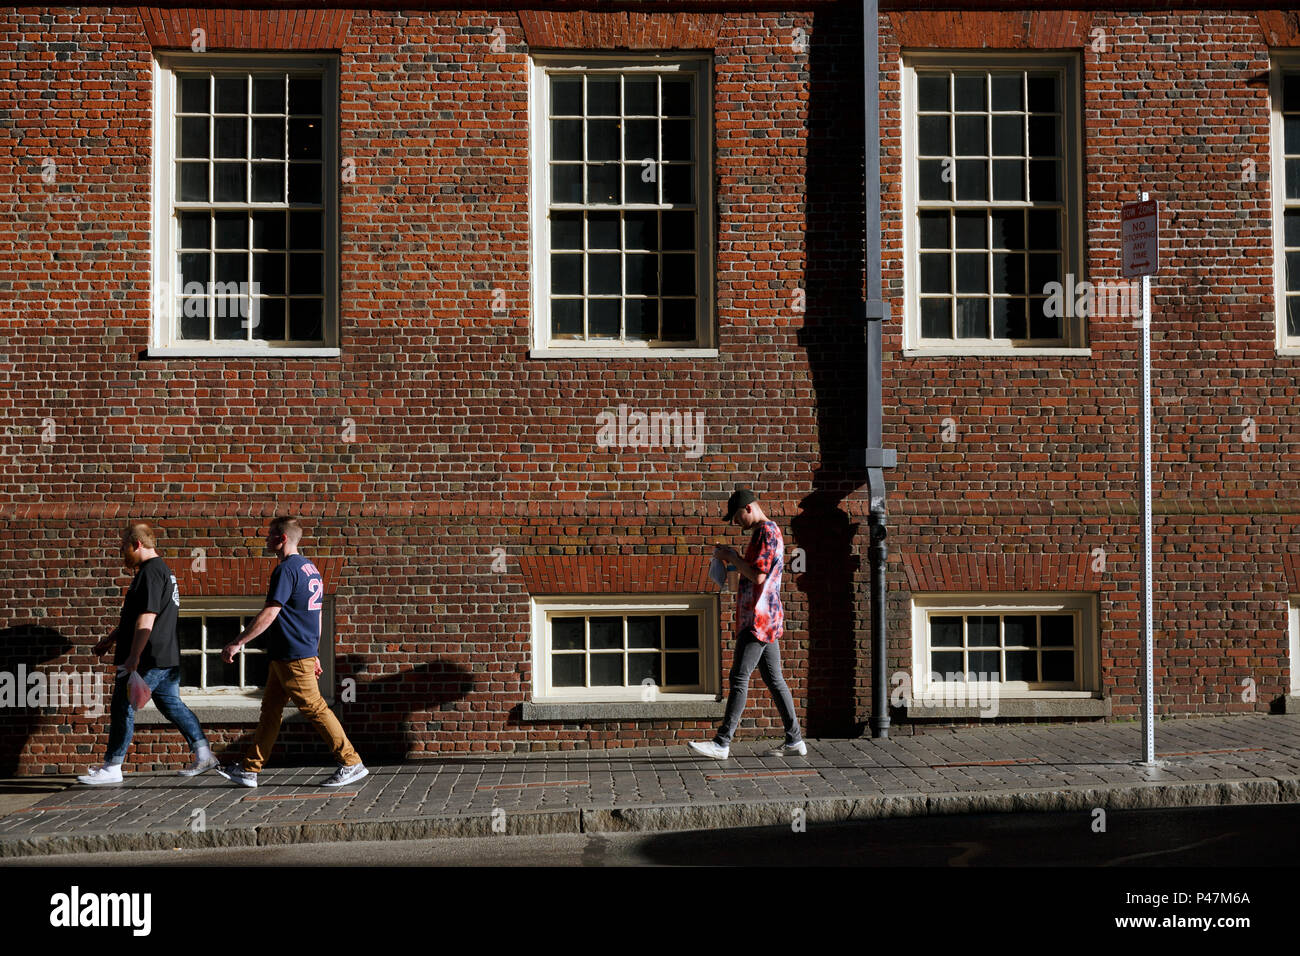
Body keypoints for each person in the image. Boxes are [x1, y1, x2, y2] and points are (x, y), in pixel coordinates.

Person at [217, 516, 366, 788]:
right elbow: (315, 614)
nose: (266, 539)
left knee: (315, 708)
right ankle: (250, 769)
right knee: (271, 711)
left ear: (282, 538)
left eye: (270, 535)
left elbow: (272, 612)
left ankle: (351, 761)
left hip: (293, 655)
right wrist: (315, 651)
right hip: (289, 654)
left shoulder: (286, 570)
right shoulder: (311, 569)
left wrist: (239, 641)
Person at [78, 522, 218, 785]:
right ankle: (204, 753)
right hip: (164, 656)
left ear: (137, 545)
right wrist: (111, 639)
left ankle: (113, 766)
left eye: (124, 547)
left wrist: (133, 656)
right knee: (172, 706)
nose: (122, 553)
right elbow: (135, 617)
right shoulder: (159, 572)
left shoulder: (151, 573)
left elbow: (146, 619)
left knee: (123, 706)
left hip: (148, 657)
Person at [689, 487, 806, 759]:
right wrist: (731, 562)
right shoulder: (764, 533)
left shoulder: (766, 532)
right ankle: (795, 740)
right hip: (765, 617)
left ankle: (721, 742)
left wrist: (732, 557)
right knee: (775, 679)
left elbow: (759, 577)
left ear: (750, 508)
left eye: (736, 516)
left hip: (759, 619)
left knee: (739, 678)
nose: (735, 522)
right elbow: (749, 574)